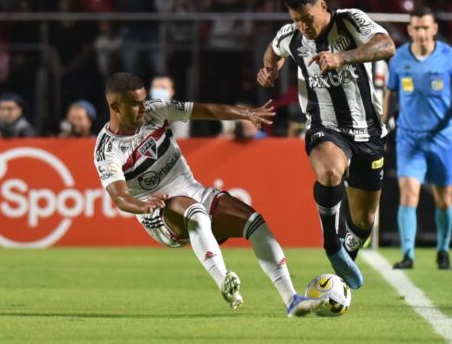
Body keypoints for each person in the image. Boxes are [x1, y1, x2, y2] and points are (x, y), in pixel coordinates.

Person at [94, 72, 325, 317]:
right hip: (158, 211)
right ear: (116, 106)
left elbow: (207, 110)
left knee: (255, 223)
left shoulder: (156, 110)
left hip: (191, 189)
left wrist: (244, 113)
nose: (143, 108)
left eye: (143, 100)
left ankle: (292, 300)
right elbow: (120, 198)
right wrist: (143, 205)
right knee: (196, 213)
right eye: (134, 104)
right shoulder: (106, 149)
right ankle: (223, 279)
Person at [256, 0, 395, 289]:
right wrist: (271, 69)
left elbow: (387, 45)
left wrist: (342, 57)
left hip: (369, 133)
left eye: (308, 18)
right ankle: (331, 243)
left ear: (323, 6)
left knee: (363, 221)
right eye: (296, 20)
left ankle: (342, 261)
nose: (303, 26)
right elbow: (273, 50)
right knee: (330, 171)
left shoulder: (349, 22)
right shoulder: (290, 36)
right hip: (325, 125)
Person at [384, 6, 452, 270]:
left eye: (426, 27)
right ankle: (408, 254)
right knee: (408, 194)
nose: (421, 33)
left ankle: (443, 249)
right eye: (416, 27)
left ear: (435, 29)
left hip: (442, 137)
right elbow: (389, 92)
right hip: (409, 137)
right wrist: (383, 126)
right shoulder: (398, 59)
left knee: (444, 198)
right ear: (409, 30)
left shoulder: (450, 56)